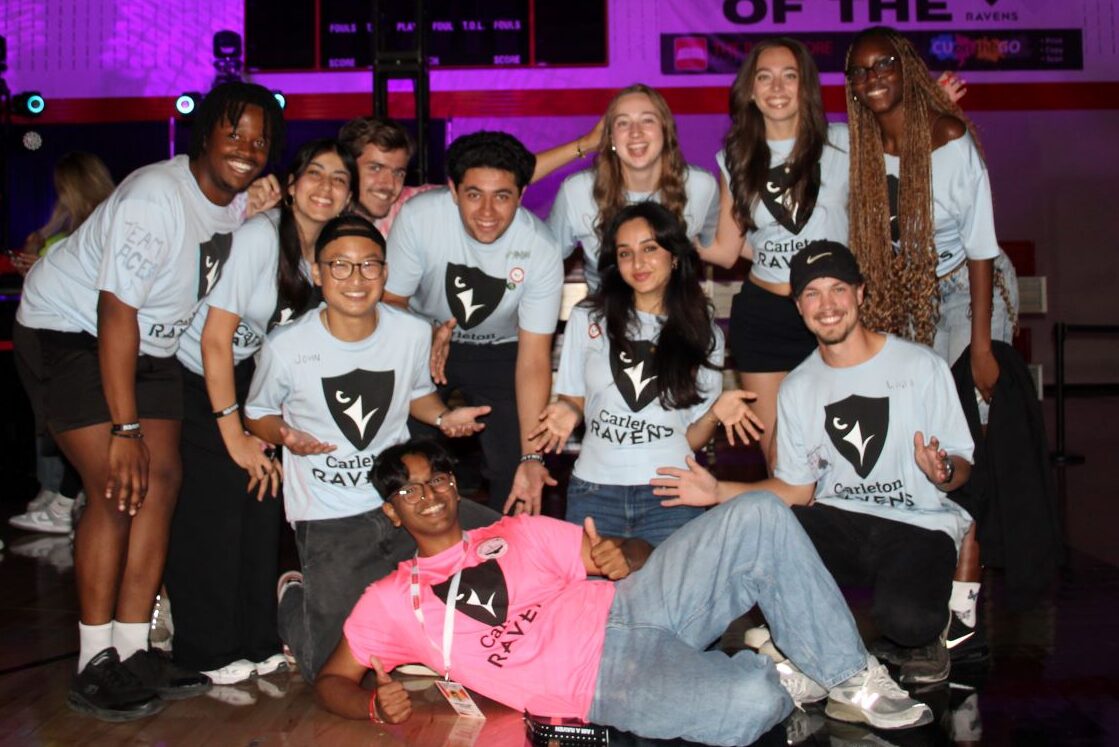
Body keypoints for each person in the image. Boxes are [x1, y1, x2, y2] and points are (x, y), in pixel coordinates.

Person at [314, 438, 933, 745]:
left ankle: (848, 674)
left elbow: (635, 557)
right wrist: (372, 707)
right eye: (408, 490)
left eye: (437, 478)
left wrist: (622, 555)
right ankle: (783, 666)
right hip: (604, 682)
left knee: (760, 513)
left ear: (453, 484)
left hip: (637, 602)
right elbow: (332, 680)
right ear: (391, 514)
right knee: (746, 710)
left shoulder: (516, 531)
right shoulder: (392, 601)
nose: (428, 494)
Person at [13, 81, 286, 721]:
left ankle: (135, 649)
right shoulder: (154, 197)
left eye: (259, 139)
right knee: (119, 482)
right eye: (233, 133)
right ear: (204, 136)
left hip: (151, 347)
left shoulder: (238, 200)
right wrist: (126, 427)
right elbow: (115, 313)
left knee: (164, 482)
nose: (247, 148)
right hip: (70, 331)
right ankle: (93, 660)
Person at [654, 241, 975, 685]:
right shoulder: (799, 387)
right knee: (764, 533)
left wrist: (942, 470)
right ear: (799, 306)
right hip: (841, 521)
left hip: (918, 523)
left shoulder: (921, 366)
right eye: (812, 293)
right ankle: (681, 646)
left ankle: (927, 636)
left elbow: (963, 467)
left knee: (907, 623)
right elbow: (795, 490)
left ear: (860, 294)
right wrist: (717, 492)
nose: (826, 305)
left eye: (837, 289)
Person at [243, 214, 497, 683]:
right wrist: (284, 435)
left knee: (503, 542)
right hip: (327, 513)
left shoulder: (410, 332)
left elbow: (416, 393)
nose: (355, 279)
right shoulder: (287, 345)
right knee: (329, 670)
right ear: (316, 272)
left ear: (385, 272)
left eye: (369, 266)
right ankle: (294, 597)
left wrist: (442, 416)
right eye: (339, 266)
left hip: (399, 498)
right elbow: (256, 412)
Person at [845, 26, 1017, 660]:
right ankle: (924, 572)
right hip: (909, 295)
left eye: (885, 63)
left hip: (968, 293)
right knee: (924, 440)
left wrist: (979, 345)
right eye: (861, 71)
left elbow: (979, 246)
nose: (874, 77)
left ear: (906, 66)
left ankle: (966, 596)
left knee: (967, 432)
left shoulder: (948, 138)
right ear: (854, 87)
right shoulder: (861, 145)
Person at [164, 138, 357, 686]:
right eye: (313, 173)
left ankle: (255, 639)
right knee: (215, 513)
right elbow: (214, 340)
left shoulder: (323, 253)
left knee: (260, 508)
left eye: (338, 179)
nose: (325, 186)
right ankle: (205, 650)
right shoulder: (259, 236)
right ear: (291, 184)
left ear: (348, 197)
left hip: (244, 379)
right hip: (194, 375)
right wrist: (234, 434)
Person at [530, 202, 761, 545]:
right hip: (595, 492)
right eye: (625, 253)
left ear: (675, 256)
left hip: (672, 494)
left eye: (650, 249)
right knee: (594, 598)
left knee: (673, 597)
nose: (638, 263)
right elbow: (574, 399)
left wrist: (715, 414)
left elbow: (691, 437)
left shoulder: (704, 332)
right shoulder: (588, 318)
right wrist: (568, 409)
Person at [383, 131, 564, 515]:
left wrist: (533, 458)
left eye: (502, 196)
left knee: (513, 462)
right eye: (473, 194)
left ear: (522, 194)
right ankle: (405, 549)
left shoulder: (541, 248)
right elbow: (391, 303)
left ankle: (499, 554)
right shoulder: (419, 217)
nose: (486, 212)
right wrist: (425, 333)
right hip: (425, 340)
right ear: (453, 190)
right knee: (403, 451)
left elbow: (533, 358)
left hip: (501, 350)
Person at [699, 39, 851, 466]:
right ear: (750, 90)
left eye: (790, 75)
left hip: (829, 311)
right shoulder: (736, 157)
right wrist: (674, 223)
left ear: (806, 87)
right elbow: (728, 250)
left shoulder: (844, 144)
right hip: (764, 315)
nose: (777, 87)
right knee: (781, 459)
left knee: (838, 452)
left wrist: (934, 118)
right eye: (764, 77)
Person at [10, 152, 115, 534]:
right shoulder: (67, 232)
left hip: (78, 338)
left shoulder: (98, 233)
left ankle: (65, 499)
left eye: (61, 192)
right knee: (58, 415)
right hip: (61, 333)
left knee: (67, 415)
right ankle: (59, 494)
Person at [547, 84, 719, 292]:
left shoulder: (702, 186)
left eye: (647, 120)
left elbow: (715, 247)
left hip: (678, 316)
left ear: (666, 131)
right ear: (610, 138)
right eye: (623, 123)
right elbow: (542, 262)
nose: (635, 132)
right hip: (606, 317)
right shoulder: (576, 192)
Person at [338, 115, 603, 237]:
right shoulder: (319, 211)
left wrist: (584, 144)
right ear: (347, 165)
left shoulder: (412, 207)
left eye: (398, 172)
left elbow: (505, 176)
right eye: (375, 168)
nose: (387, 184)